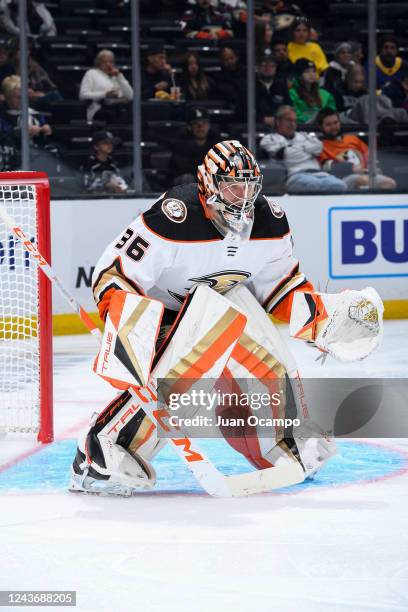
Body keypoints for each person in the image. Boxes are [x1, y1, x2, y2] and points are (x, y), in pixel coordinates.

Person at [68, 138, 336, 496]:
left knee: (267, 358)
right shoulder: (174, 218)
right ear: (208, 184)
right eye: (232, 186)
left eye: (250, 187)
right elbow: (114, 275)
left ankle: (282, 442)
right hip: (161, 318)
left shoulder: (271, 223)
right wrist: (128, 329)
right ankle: (102, 454)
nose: (243, 198)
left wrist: (323, 321)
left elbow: (282, 286)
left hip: (219, 306)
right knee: (181, 377)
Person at [260, 105, 347, 193]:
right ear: (278, 122)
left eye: (294, 121)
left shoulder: (304, 135)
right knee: (312, 184)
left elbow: (319, 147)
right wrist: (307, 150)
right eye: (289, 120)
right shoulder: (269, 139)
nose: (292, 124)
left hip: (320, 174)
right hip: (295, 176)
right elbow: (287, 155)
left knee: (340, 185)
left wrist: (292, 148)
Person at [317, 109, 396, 191]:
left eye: (336, 122)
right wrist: (351, 167)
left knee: (390, 183)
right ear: (320, 127)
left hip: (365, 174)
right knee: (364, 181)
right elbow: (328, 168)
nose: (333, 127)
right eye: (328, 124)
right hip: (340, 179)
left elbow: (370, 157)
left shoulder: (352, 139)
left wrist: (375, 170)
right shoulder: (319, 146)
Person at [168, 107, 221, 184]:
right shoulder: (181, 142)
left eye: (204, 123)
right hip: (185, 181)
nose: (200, 127)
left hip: (208, 178)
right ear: (189, 127)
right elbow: (184, 168)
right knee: (188, 178)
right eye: (196, 123)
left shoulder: (216, 142)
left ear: (209, 125)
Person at [79, 49, 133, 122]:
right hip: (99, 110)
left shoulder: (117, 76)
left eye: (111, 62)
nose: (108, 65)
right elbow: (83, 95)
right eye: (104, 62)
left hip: (118, 109)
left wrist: (120, 76)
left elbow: (130, 96)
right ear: (98, 63)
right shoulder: (91, 73)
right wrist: (105, 94)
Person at [0, 74, 52, 145]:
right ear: (7, 97)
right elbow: (4, 138)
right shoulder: (2, 117)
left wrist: (45, 130)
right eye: (18, 97)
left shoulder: (35, 115)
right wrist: (21, 133)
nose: (22, 100)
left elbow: (43, 142)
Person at [289, 59, 336, 124]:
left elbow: (332, 113)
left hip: (324, 127)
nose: (311, 74)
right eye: (307, 71)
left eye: (314, 71)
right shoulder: (292, 93)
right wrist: (314, 119)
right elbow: (294, 116)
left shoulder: (325, 94)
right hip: (303, 129)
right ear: (299, 75)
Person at [255, 54, 291, 127]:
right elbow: (241, 111)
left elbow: (288, 107)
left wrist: (279, 119)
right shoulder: (248, 86)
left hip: (279, 126)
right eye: (264, 65)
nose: (268, 68)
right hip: (255, 126)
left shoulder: (281, 85)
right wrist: (262, 119)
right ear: (257, 67)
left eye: (272, 65)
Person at [323, 42, 354, 108]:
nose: (346, 55)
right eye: (343, 53)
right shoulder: (331, 70)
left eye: (349, 52)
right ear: (337, 55)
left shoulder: (355, 68)